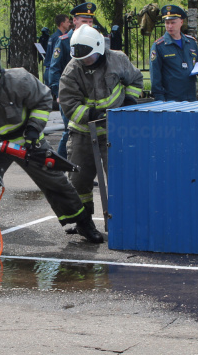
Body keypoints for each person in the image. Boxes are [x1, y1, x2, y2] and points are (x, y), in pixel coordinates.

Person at [0, 43, 105, 256]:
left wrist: (33, 129)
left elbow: (43, 100)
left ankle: (85, 225)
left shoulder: (19, 80)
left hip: (26, 140)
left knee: (56, 181)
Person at [58, 25, 143, 216]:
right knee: (79, 181)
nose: (85, 60)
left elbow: (136, 80)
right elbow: (69, 104)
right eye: (80, 57)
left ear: (99, 47)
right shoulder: (72, 70)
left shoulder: (118, 59)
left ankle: (121, 221)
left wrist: (129, 101)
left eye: (88, 56)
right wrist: (92, 115)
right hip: (83, 133)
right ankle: (85, 222)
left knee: (119, 179)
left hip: (115, 133)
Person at [48, 2, 98, 157]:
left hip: (89, 94)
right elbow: (54, 69)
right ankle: (57, 168)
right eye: (84, 21)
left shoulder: (95, 39)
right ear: (74, 21)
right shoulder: (64, 41)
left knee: (89, 133)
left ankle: (80, 173)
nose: (88, 25)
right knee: (70, 131)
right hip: (69, 94)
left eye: (90, 22)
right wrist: (58, 93)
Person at [150, 5, 198, 101]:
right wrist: (160, 100)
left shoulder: (191, 42)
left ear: (181, 22)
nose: (169, 26)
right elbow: (155, 76)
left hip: (191, 98)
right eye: (167, 23)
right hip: (170, 100)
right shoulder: (159, 46)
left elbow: (196, 68)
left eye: (173, 22)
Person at [44, 14, 70, 86]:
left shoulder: (53, 36)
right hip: (53, 71)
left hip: (49, 70)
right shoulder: (59, 38)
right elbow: (56, 57)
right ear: (62, 24)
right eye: (67, 22)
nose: (69, 24)